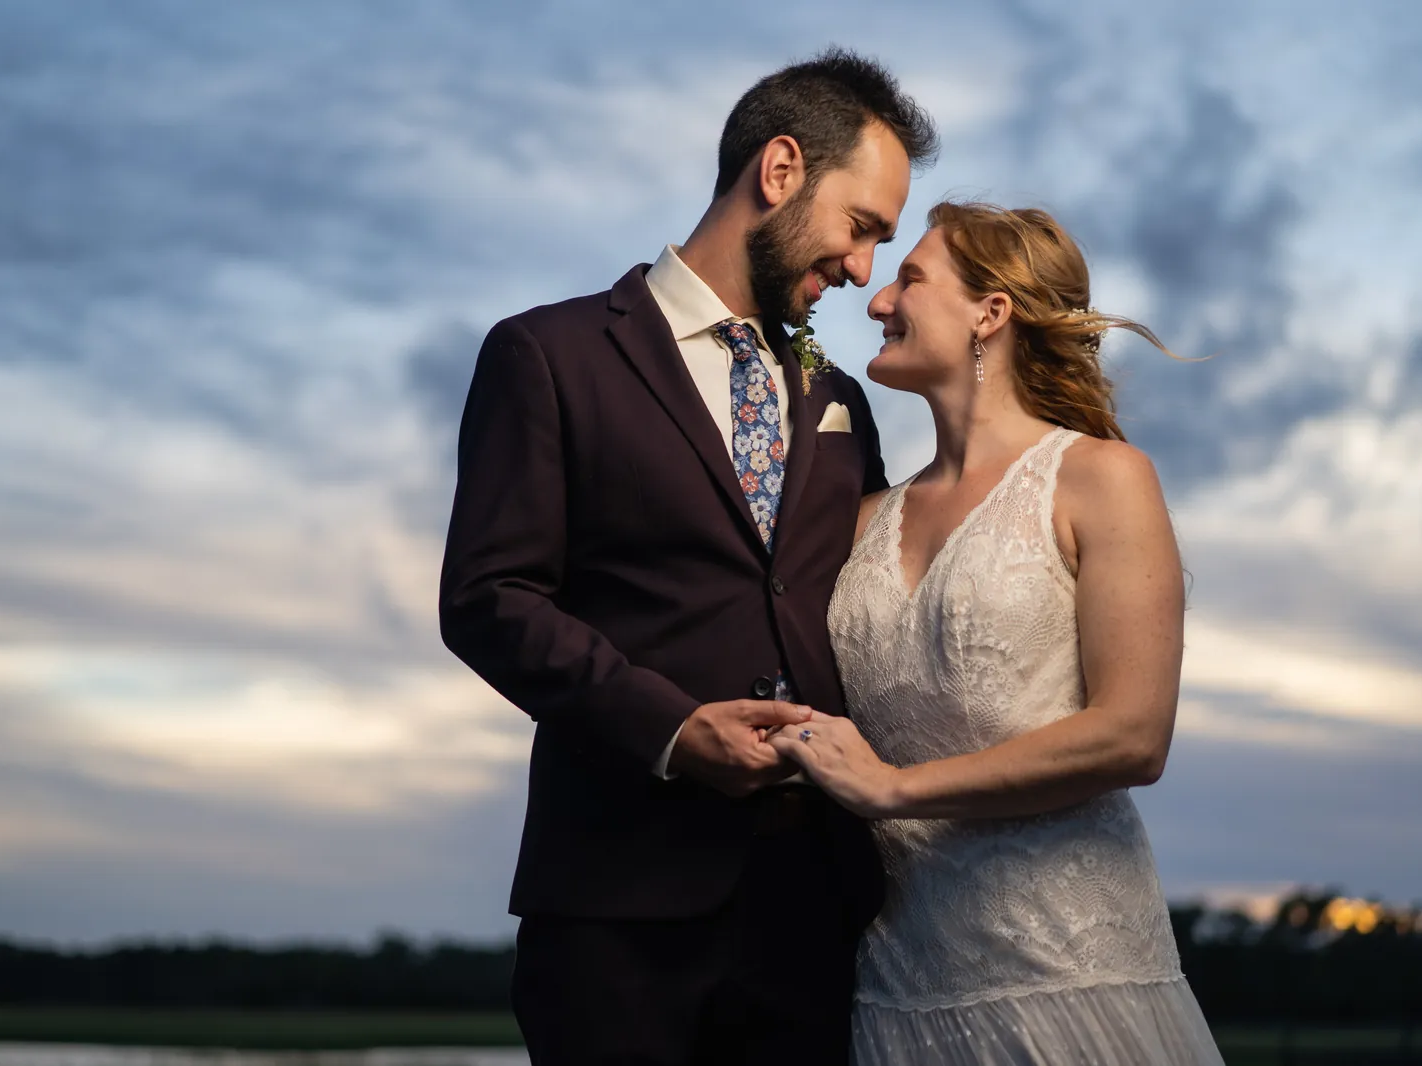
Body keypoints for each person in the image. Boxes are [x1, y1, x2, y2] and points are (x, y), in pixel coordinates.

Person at [438, 49, 937, 1065]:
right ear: (782, 170)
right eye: (862, 228)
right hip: (619, 910)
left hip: (817, 910)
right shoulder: (549, 355)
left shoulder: (839, 396)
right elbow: (490, 598)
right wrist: (671, 729)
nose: (862, 272)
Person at [768, 201, 1226, 1064]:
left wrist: (893, 790)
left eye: (910, 278)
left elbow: (1133, 737)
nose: (875, 301)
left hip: (1069, 976)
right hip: (900, 989)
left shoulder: (1101, 479)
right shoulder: (860, 518)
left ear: (992, 312)